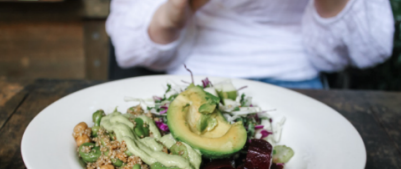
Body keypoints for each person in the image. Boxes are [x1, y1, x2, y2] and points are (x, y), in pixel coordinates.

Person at [106, 0, 394, 89]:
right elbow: (130, 47)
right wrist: (178, 9)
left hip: (297, 78)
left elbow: (367, 48)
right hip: (193, 74)